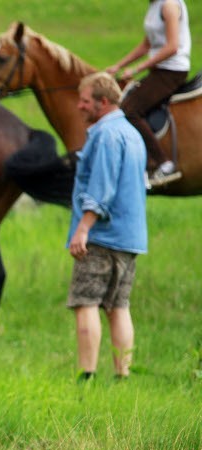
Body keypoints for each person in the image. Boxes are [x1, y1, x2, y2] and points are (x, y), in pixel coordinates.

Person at [66, 73, 148, 382]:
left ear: (103, 102)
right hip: (130, 237)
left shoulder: (105, 136)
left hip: (101, 236)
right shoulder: (132, 133)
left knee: (85, 303)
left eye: (85, 101)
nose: (79, 106)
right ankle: (122, 377)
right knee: (118, 306)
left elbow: (102, 188)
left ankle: (86, 376)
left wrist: (83, 228)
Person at [105, 0, 191, 188]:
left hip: (172, 71)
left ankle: (162, 163)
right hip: (159, 70)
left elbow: (172, 46)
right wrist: (119, 66)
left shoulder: (168, 5)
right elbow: (146, 45)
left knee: (130, 110)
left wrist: (137, 69)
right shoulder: (153, 6)